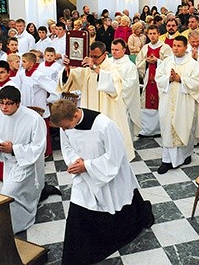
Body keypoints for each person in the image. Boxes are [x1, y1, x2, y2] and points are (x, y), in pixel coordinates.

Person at [50, 100, 154, 265]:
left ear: (75, 115)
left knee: (119, 206)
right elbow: (67, 147)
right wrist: (75, 161)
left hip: (108, 175)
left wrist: (88, 166)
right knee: (78, 212)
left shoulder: (104, 125)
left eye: (66, 127)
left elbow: (116, 156)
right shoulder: (67, 123)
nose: (64, 131)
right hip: (84, 175)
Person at [58, 41, 135, 161]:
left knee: (112, 150)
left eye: (96, 57)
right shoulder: (87, 69)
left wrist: (95, 68)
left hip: (109, 112)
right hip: (90, 111)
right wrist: (67, 69)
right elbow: (71, 80)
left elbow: (114, 88)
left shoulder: (113, 67)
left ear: (105, 54)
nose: (93, 59)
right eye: (91, 56)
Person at [0, 86, 46, 234]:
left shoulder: (33, 118)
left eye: (9, 103)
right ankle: (10, 220)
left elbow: (39, 146)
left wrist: (14, 149)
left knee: (8, 193)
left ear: (18, 103)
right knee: (15, 193)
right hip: (9, 162)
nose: (4, 107)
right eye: (1, 102)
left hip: (27, 163)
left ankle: (17, 224)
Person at [155, 35, 199, 174]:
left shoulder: (192, 64)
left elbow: (197, 83)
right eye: (174, 45)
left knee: (184, 127)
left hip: (184, 102)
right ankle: (166, 160)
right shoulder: (166, 62)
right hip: (167, 101)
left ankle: (186, 154)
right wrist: (169, 78)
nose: (176, 48)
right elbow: (158, 77)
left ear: (186, 47)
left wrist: (181, 79)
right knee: (167, 128)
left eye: (179, 46)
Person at [135, 25, 172, 137]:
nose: (152, 36)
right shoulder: (145, 48)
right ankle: (147, 129)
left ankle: (160, 129)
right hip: (148, 78)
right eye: (150, 34)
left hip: (160, 80)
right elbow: (138, 62)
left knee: (160, 102)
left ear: (158, 34)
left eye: (154, 33)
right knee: (147, 103)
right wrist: (146, 61)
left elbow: (170, 63)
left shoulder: (165, 47)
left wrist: (158, 61)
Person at [109, 39, 142, 137]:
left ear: (124, 50)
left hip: (122, 102)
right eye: (112, 49)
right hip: (109, 102)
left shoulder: (129, 66)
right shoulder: (107, 62)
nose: (113, 52)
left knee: (123, 131)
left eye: (116, 50)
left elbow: (130, 86)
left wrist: (113, 84)